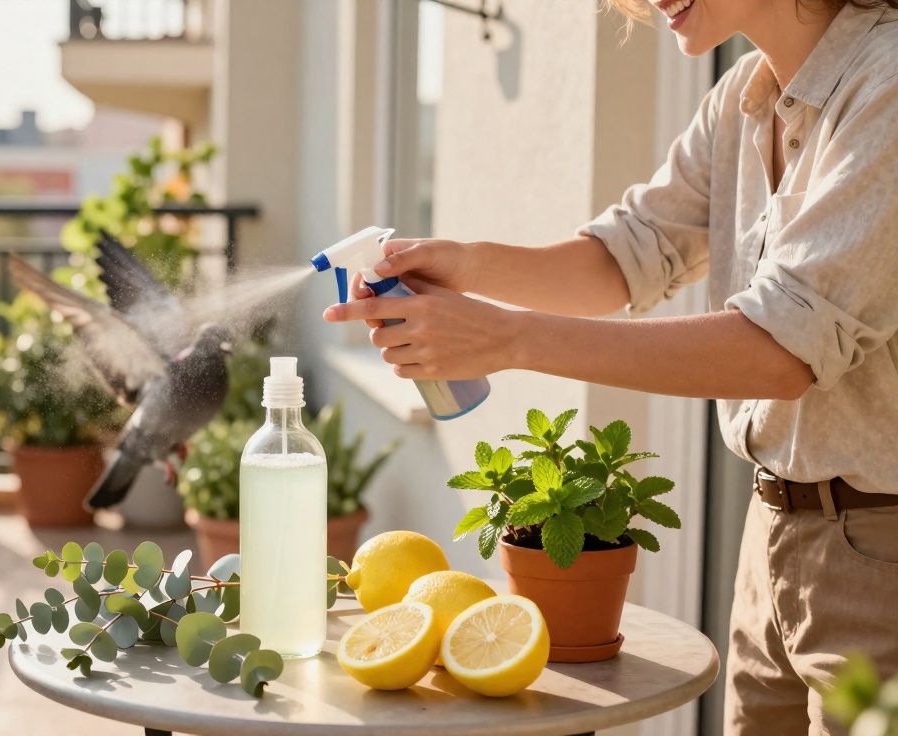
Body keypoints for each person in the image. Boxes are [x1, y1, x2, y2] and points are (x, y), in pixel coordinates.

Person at [323, 1, 898, 733]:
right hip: (774, 539)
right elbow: (627, 253)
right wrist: (465, 265)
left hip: (879, 560)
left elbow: (780, 350)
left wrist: (509, 340)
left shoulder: (887, 87)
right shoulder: (743, 98)